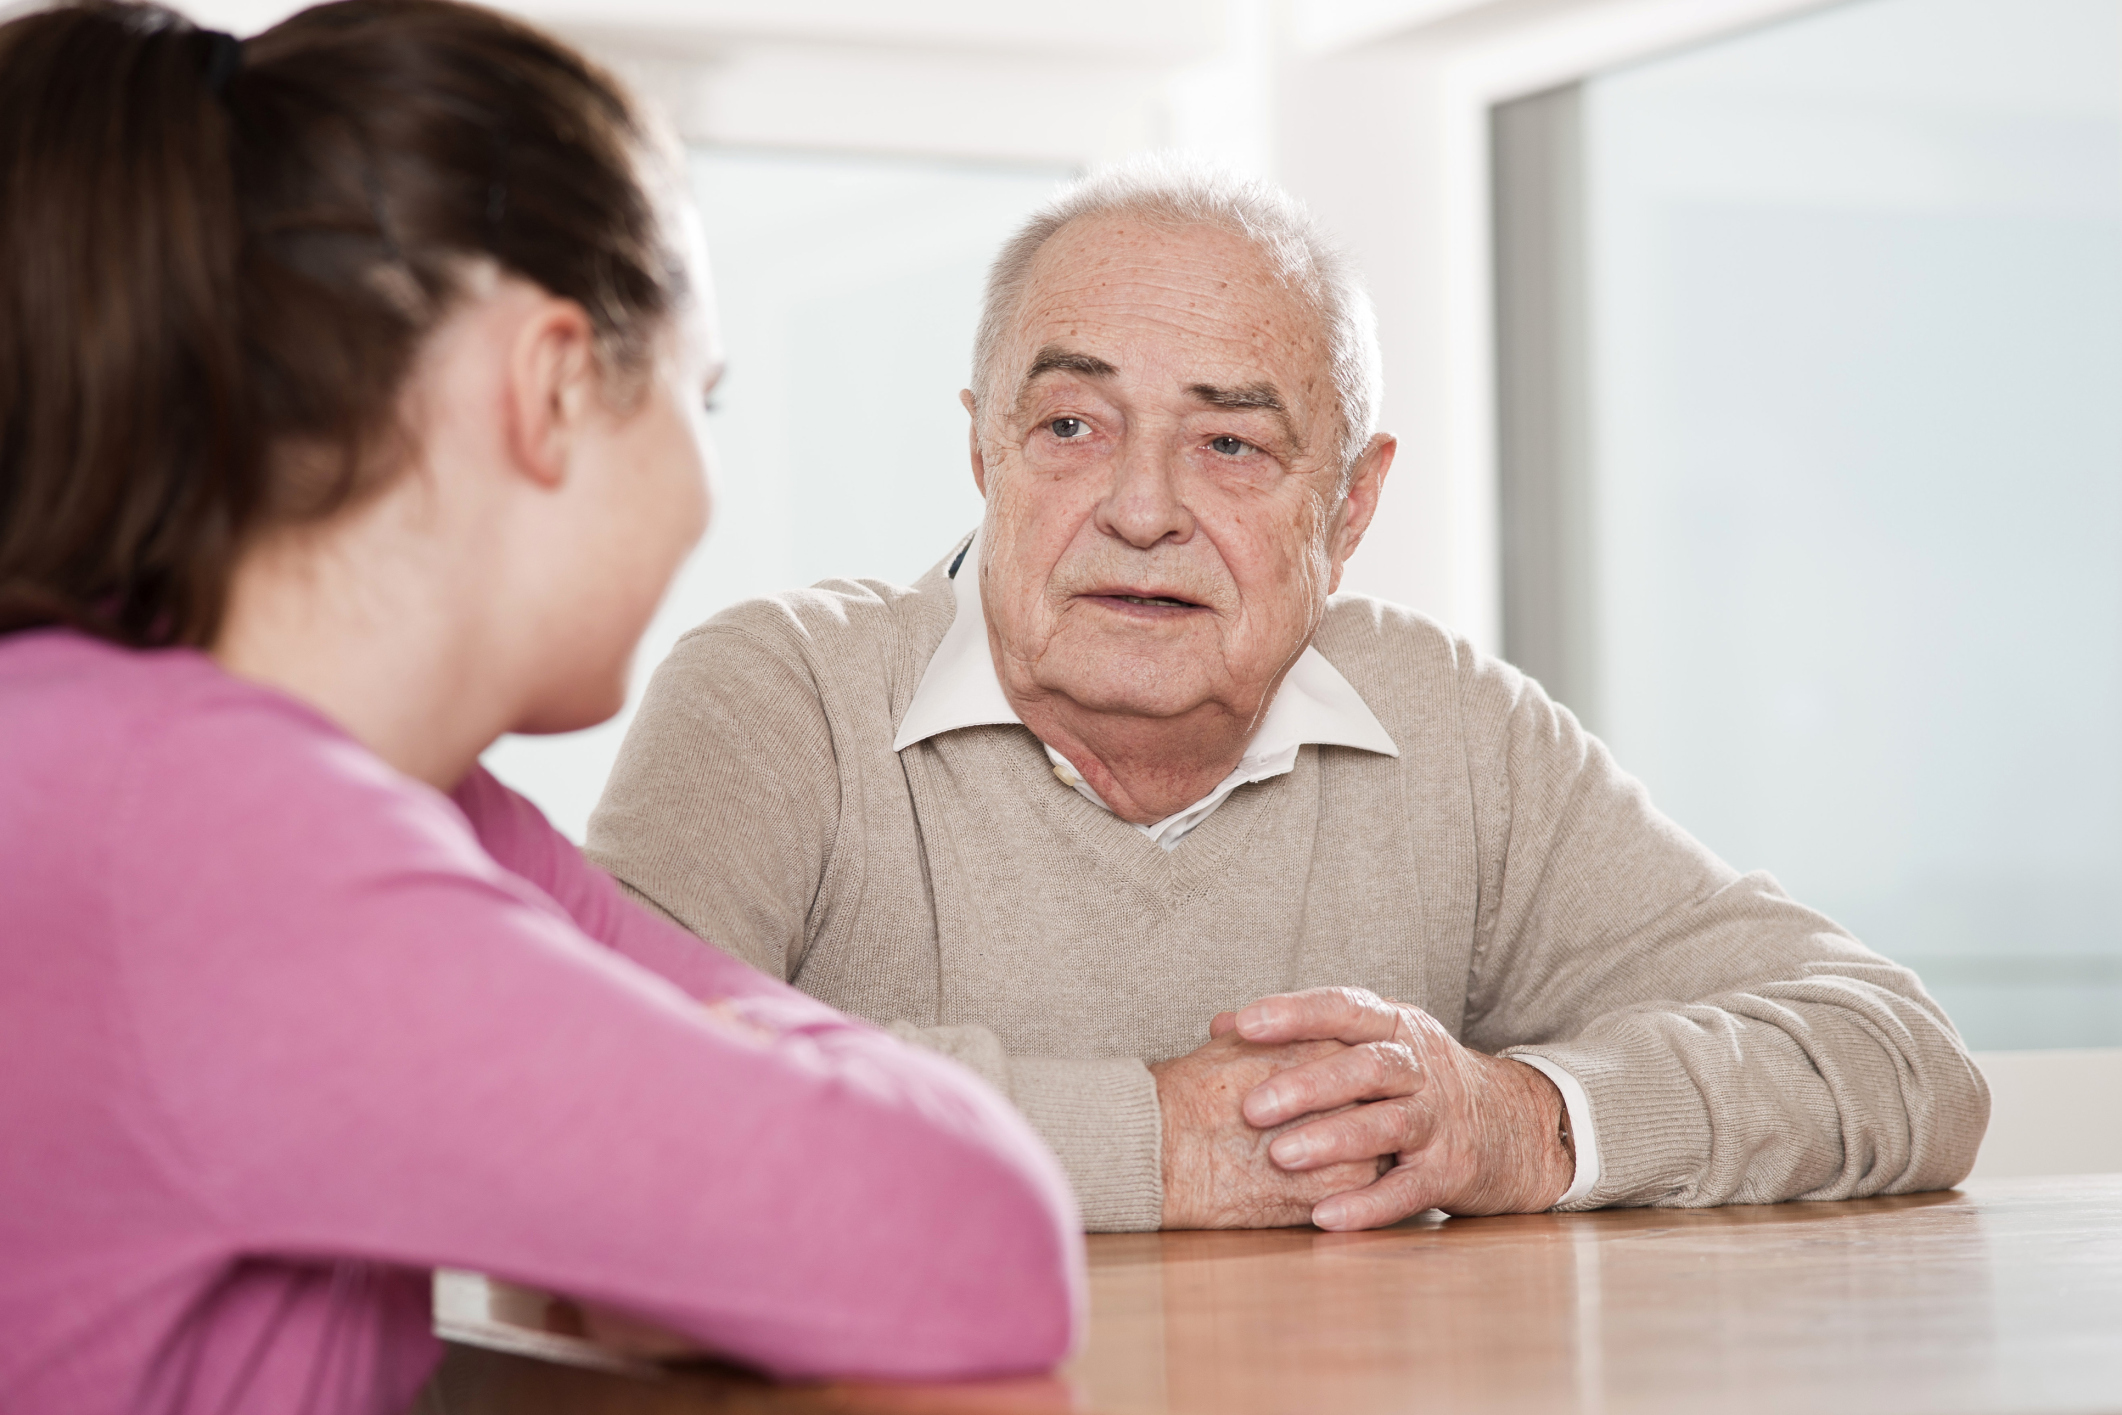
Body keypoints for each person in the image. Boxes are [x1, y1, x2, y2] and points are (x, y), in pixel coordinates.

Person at [0, 3, 1083, 1412]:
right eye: (707, 394)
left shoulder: (392, 805)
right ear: (556, 384)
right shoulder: (200, 832)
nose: (707, 483)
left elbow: (905, 1191)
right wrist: (741, 1148)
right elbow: (977, 1233)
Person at [587, 156, 1992, 1235]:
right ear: (982, 451)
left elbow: (1899, 1058)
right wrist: (1164, 1139)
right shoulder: (780, 693)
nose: (1140, 509)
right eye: (1071, 427)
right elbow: (603, 1104)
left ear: (1353, 502)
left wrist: (1523, 1121)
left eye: (1233, 445)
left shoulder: (1449, 728)